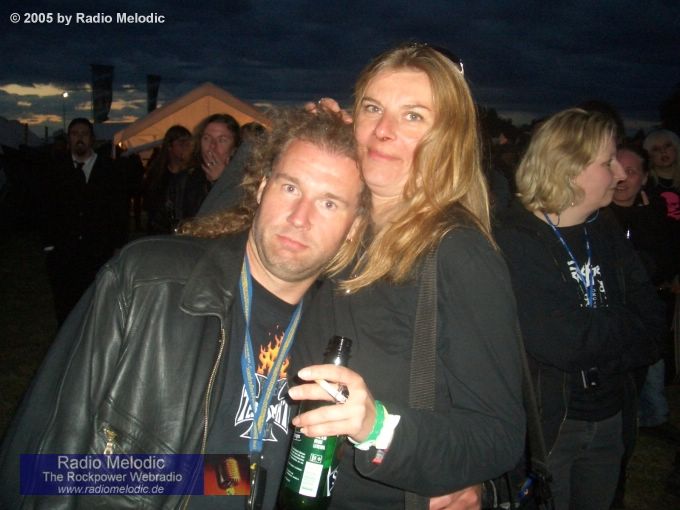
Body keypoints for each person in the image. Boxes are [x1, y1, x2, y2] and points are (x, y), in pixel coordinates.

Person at [0, 108, 369, 510]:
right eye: (291, 187)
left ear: (353, 228)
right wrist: (222, 476)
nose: (300, 218)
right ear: (262, 188)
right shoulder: (149, 283)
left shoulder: (342, 338)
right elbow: (40, 469)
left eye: (329, 203)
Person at [289, 43, 526, 510]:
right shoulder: (332, 226)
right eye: (372, 109)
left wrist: (378, 427)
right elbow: (214, 250)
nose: (383, 131)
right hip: (285, 480)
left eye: (413, 116)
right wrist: (290, 139)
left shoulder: (459, 254)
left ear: (448, 138)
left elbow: (498, 435)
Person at [494, 108, 666, 510]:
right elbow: (563, 343)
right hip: (551, 426)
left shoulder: (604, 227)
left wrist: (601, 338)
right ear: (569, 169)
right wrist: (621, 331)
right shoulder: (515, 239)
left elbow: (654, 322)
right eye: (608, 163)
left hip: (612, 415)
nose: (619, 175)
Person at [42, 117, 128, 325]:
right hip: (64, 252)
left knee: (97, 306)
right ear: (68, 139)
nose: (79, 138)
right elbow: (46, 208)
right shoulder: (56, 169)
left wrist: (117, 245)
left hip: (98, 251)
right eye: (75, 134)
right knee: (66, 305)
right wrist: (49, 245)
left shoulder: (109, 169)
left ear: (92, 139)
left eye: (84, 134)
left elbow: (119, 209)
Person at [142, 124, 195, 234]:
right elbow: (150, 206)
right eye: (181, 143)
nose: (186, 147)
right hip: (162, 232)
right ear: (170, 146)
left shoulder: (195, 175)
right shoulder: (157, 175)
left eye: (188, 143)